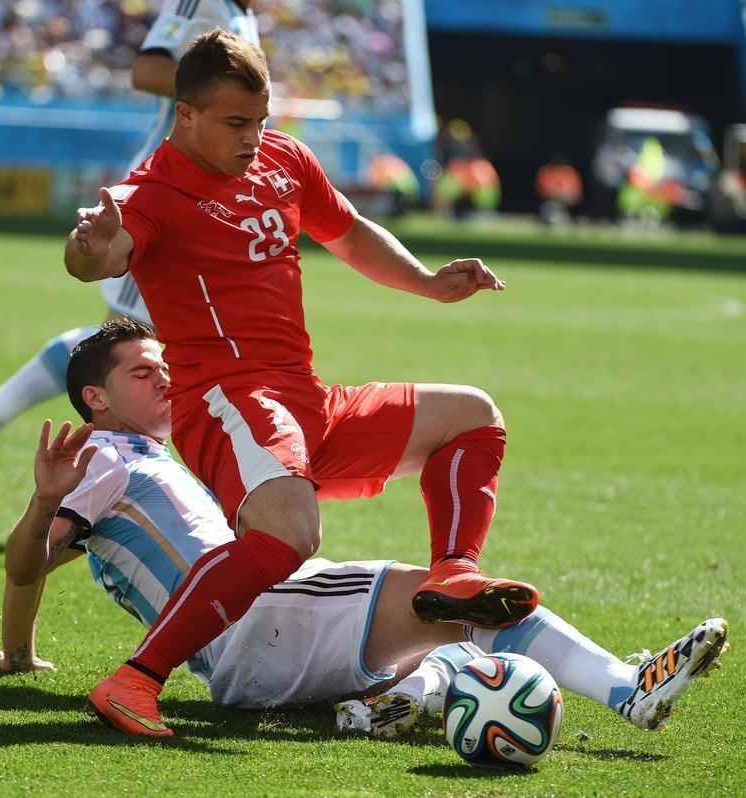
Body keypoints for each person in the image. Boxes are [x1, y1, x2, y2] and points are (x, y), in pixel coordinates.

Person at [65, 28, 540, 736]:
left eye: (259, 119)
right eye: (235, 123)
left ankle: (450, 576)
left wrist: (428, 284)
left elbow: (347, 233)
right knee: (291, 530)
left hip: (304, 401)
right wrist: (89, 248)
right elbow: (99, 256)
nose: (253, 136)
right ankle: (136, 679)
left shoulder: (285, 158)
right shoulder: (150, 194)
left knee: (472, 416)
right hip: (229, 402)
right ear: (185, 115)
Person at [0, 320, 730, 739]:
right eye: (145, 372)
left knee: (452, 628)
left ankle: (396, 699)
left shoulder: (146, 454)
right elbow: (28, 558)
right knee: (462, 600)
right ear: (96, 397)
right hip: (260, 619)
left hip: (242, 659)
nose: (167, 377)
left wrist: (19, 657)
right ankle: (628, 688)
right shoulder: (103, 452)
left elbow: (26, 570)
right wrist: (42, 503)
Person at [0, 0, 260, 498]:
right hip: (163, 199)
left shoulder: (240, 12)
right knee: (142, 347)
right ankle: (160, 498)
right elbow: (148, 68)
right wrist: (216, 90)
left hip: (204, 203)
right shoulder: (200, 3)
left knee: (140, 344)